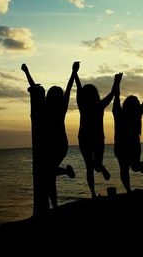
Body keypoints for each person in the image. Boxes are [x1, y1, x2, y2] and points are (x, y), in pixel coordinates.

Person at [21, 62, 76, 209]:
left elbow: (68, 89)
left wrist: (73, 73)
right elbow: (36, 89)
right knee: (50, 178)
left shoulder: (55, 108)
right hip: (54, 145)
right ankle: (55, 206)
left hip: (57, 145)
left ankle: (65, 171)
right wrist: (26, 72)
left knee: (47, 172)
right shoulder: (52, 107)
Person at [74, 65, 122, 198]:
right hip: (94, 138)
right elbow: (112, 94)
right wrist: (116, 81)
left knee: (92, 167)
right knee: (93, 167)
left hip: (86, 138)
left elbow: (78, 87)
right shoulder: (98, 105)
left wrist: (74, 73)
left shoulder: (83, 106)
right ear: (95, 95)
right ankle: (93, 193)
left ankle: (94, 191)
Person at [112, 75, 143, 193]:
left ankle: (139, 165)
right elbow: (116, 97)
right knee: (124, 169)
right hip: (122, 147)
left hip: (132, 146)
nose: (139, 105)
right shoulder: (119, 114)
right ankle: (128, 190)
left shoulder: (135, 114)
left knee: (134, 168)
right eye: (137, 104)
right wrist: (116, 82)